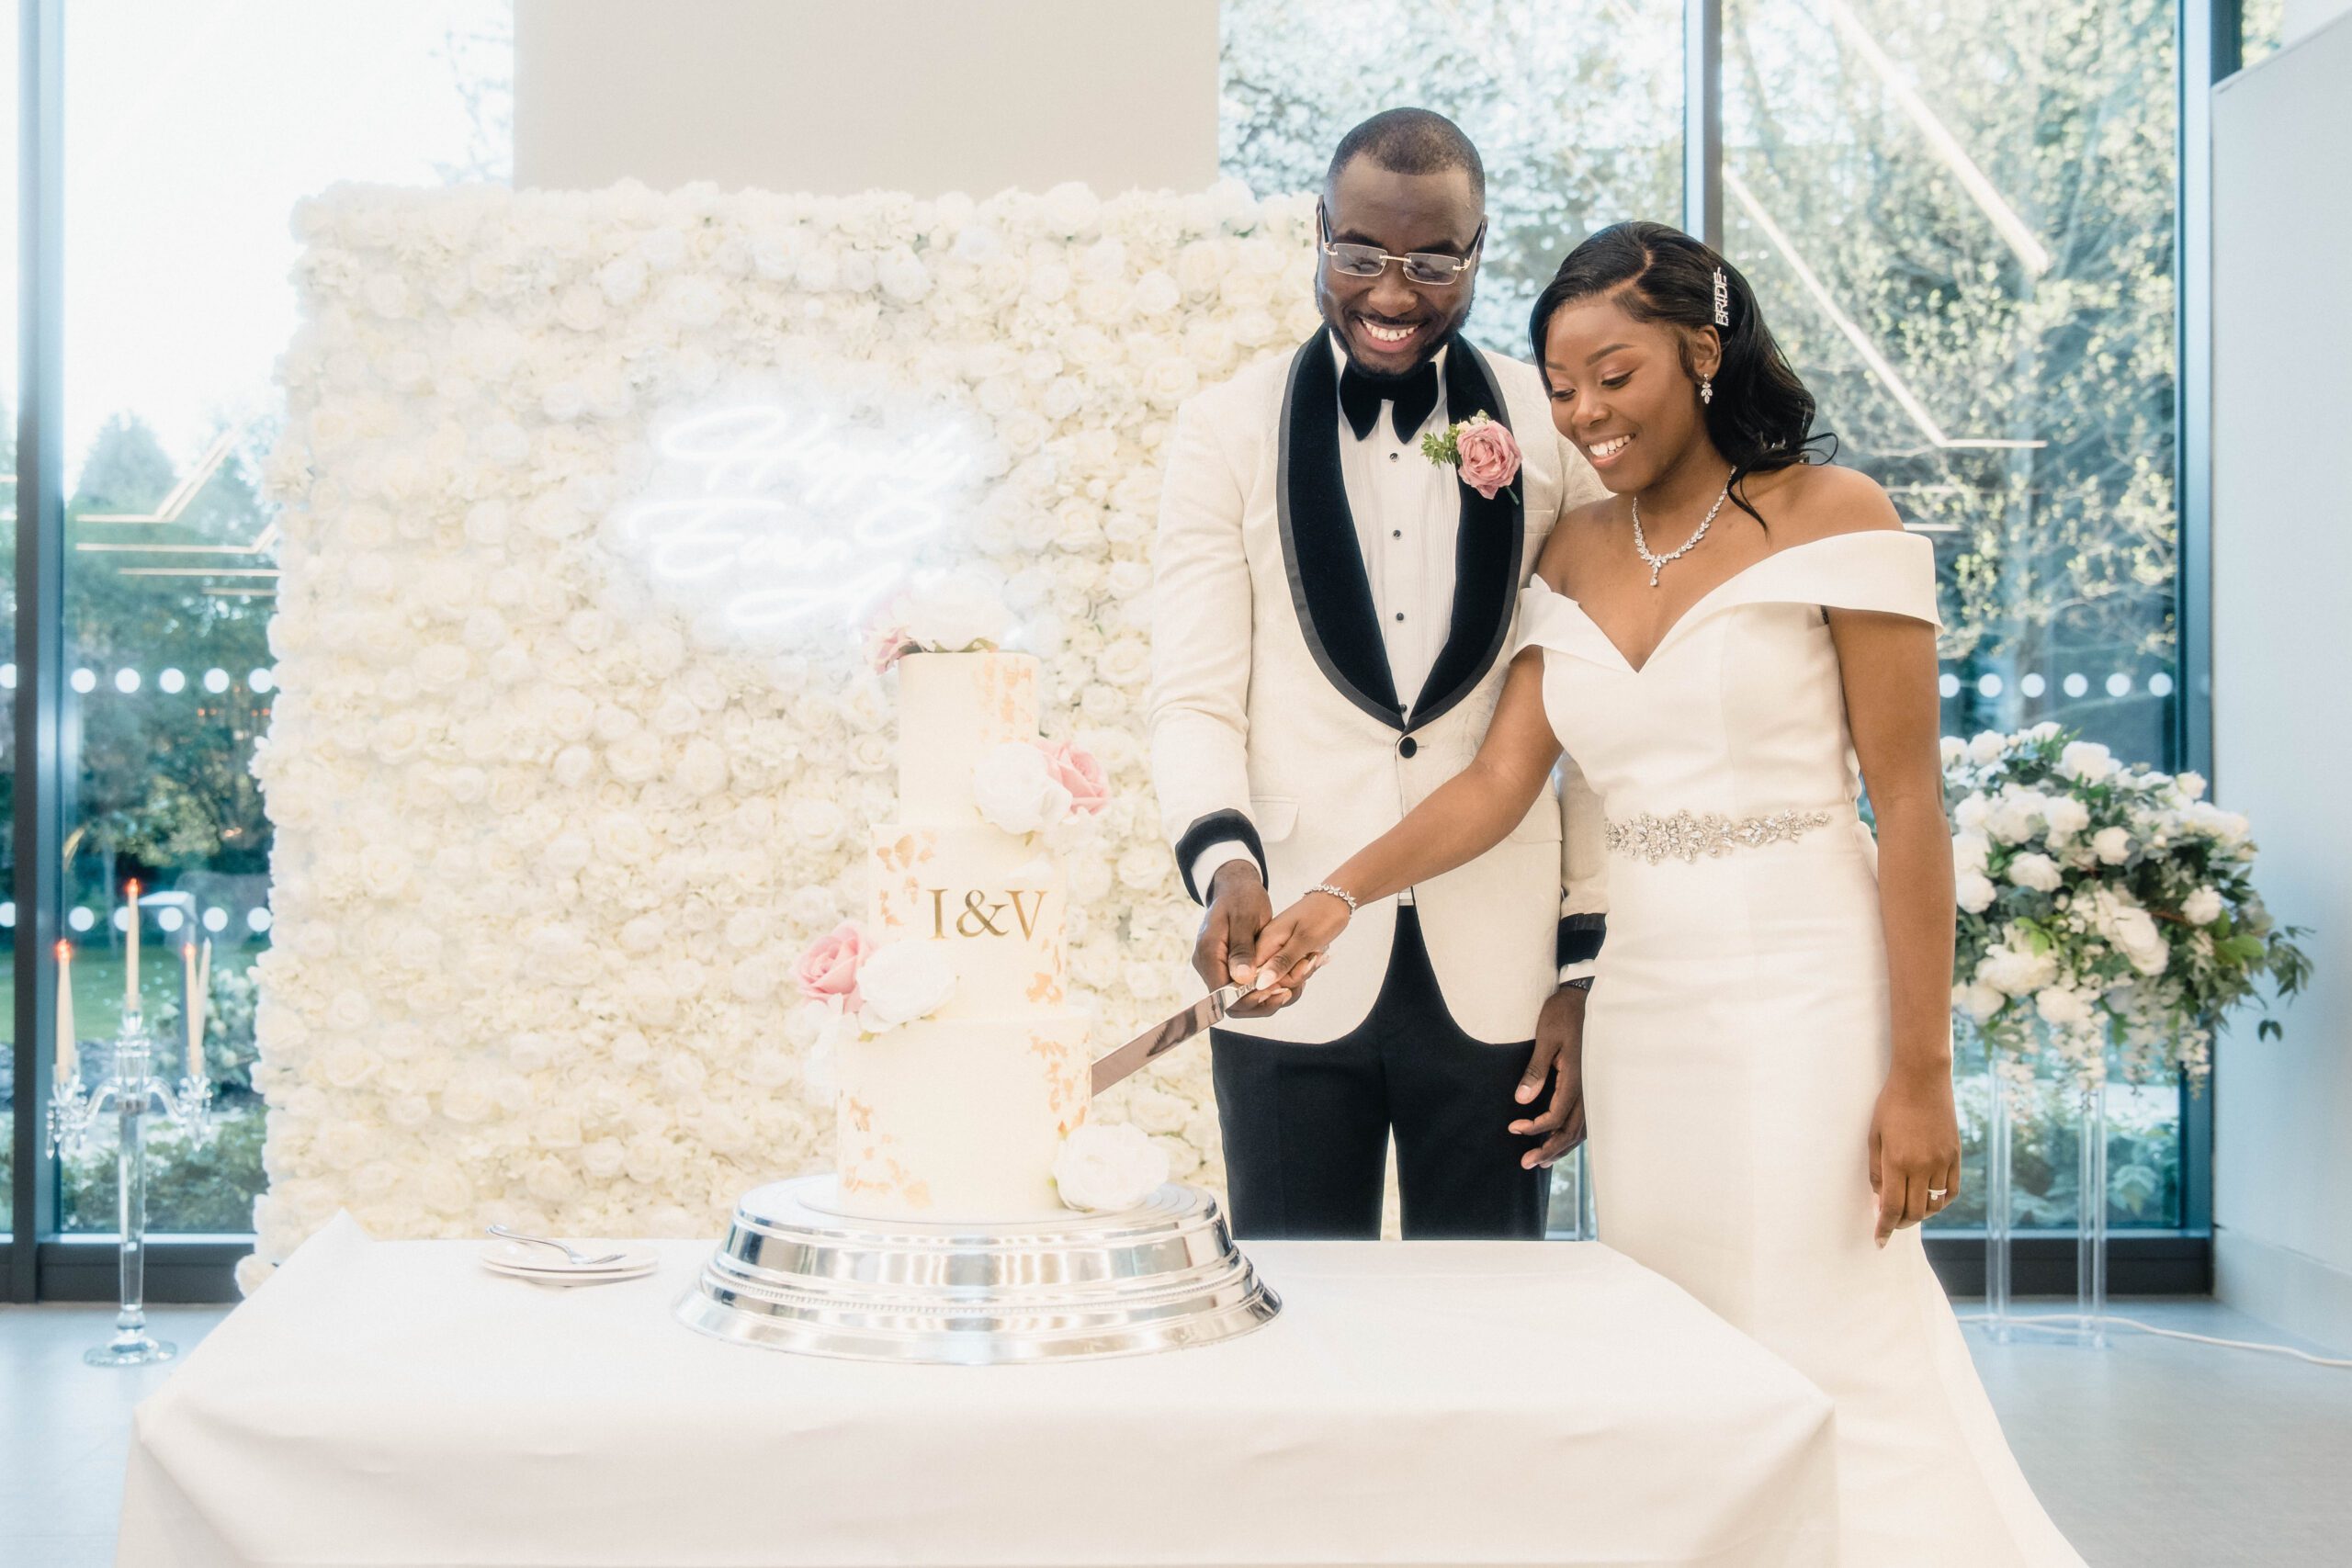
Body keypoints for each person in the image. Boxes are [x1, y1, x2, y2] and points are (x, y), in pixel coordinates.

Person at [1249, 220, 2086, 1564]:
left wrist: (1927, 1071)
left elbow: (1913, 807)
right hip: (1648, 1013)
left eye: (1614, 374)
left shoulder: (1836, 514)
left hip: (1810, 995)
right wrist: (1336, 896)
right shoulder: (1571, 553)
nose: (1584, 413)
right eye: (1561, 385)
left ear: (1703, 349)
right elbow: (1496, 787)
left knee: (1831, 1339)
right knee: (1681, 1346)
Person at [1147, 108, 1610, 1240]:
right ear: (1317, 233)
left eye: (1432, 261)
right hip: (1283, 961)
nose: (1392, 295)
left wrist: (1585, 968)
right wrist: (1224, 866)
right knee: (1299, 1316)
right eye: (1358, 253)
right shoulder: (1223, 430)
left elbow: (1598, 723)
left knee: (1489, 1320)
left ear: (1480, 249)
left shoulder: (1551, 435)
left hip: (1501, 964)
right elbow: (1195, 693)